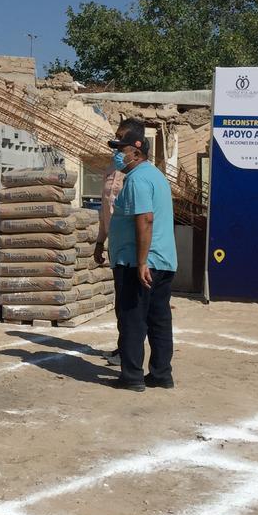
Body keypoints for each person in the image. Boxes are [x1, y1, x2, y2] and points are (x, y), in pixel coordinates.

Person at [96, 119, 177, 391]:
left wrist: (141, 262)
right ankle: (161, 375)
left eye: (121, 147)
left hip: (138, 264)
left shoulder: (138, 179)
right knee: (158, 320)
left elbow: (145, 220)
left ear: (136, 149)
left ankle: (131, 377)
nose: (117, 153)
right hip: (162, 261)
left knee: (132, 319)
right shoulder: (156, 176)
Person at [93, 162, 124, 365]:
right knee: (120, 301)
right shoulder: (109, 171)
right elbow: (105, 212)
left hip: (130, 245)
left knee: (129, 302)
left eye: (122, 147)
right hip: (115, 244)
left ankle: (128, 352)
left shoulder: (136, 175)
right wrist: (99, 242)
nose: (118, 151)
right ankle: (124, 346)